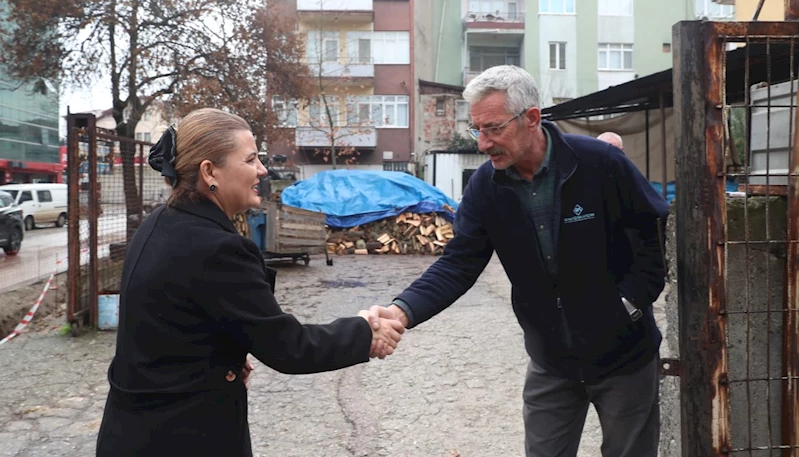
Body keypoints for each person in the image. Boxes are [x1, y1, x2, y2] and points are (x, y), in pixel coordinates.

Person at [371, 66, 669, 457]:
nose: (483, 143)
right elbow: (458, 264)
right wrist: (401, 311)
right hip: (552, 362)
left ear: (531, 118)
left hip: (625, 359)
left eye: (494, 128)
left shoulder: (600, 163)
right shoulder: (485, 188)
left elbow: (653, 237)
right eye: (477, 130)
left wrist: (627, 304)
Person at [96, 108, 404, 457]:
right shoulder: (217, 248)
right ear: (209, 172)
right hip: (182, 437)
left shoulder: (158, 223)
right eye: (251, 159)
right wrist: (365, 331)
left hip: (130, 431)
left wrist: (221, 356)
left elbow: (169, 326)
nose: (263, 169)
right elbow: (290, 348)